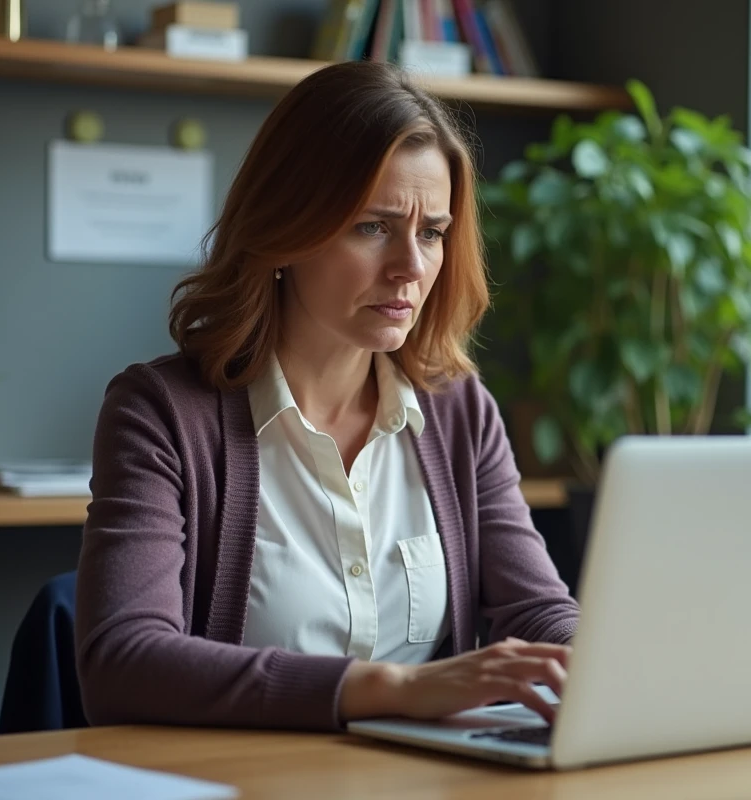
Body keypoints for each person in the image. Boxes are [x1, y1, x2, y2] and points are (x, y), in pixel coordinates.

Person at [74, 61, 578, 733]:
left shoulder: (459, 410)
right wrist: (393, 687)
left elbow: (539, 611)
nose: (411, 266)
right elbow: (122, 663)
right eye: (373, 226)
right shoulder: (161, 412)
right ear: (286, 229)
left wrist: (603, 664)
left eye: (431, 232)